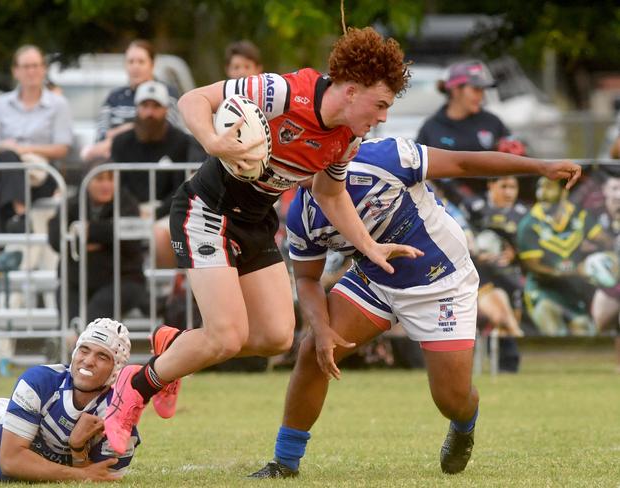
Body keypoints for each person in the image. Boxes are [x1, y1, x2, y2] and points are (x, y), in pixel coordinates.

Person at [104, 26, 423, 455]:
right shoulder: (282, 92)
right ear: (351, 90)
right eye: (380, 104)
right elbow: (192, 99)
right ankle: (135, 387)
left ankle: (176, 349)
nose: (383, 116)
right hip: (208, 210)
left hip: (255, 221)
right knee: (226, 337)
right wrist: (214, 140)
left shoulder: (348, 137)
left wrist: (369, 246)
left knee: (276, 337)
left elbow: (330, 194)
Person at [242, 137, 581, 477]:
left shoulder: (384, 156)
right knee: (314, 352)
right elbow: (306, 279)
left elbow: (463, 163)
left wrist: (540, 166)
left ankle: (464, 425)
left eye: (297, 162)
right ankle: (284, 462)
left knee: (451, 400)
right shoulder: (302, 213)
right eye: (285, 166)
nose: (288, 173)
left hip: (441, 281)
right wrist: (322, 328)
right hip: (377, 280)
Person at [0, 318, 139, 483]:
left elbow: (100, 477)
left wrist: (78, 449)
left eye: (102, 356)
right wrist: (80, 474)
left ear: (116, 370)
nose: (88, 361)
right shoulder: (39, 380)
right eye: (84, 350)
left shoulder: (118, 420)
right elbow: (9, 461)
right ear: (74, 353)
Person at [110, 80, 206, 268]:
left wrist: (156, 211)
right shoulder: (120, 142)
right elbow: (117, 184)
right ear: (137, 109)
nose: (149, 113)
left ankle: (164, 293)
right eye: (145, 106)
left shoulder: (182, 142)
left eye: (156, 106)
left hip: (168, 211)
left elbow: (182, 187)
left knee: (160, 236)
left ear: (166, 110)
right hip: (128, 209)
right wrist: (135, 210)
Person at [0, 44, 73, 232]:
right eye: (26, 66)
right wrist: (9, 148)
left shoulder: (58, 104)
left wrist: (25, 150)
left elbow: (62, 148)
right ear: (15, 71)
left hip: (41, 173)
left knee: (6, 176)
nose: (31, 71)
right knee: (8, 158)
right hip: (6, 170)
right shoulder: (2, 103)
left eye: (36, 65)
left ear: (44, 69)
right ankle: (20, 215)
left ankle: (13, 228)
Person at [48, 163, 148, 324]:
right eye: (99, 179)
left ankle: (85, 344)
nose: (106, 185)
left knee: (93, 319)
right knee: (70, 318)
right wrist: (107, 238)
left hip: (122, 281)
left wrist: (88, 231)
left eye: (110, 179)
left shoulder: (127, 203)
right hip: (76, 280)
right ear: (86, 181)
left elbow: (131, 242)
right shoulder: (72, 204)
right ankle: (70, 345)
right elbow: (55, 240)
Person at [416, 60, 520, 202]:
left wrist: (515, 153)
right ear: (456, 90)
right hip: (446, 209)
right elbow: (418, 171)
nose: (481, 96)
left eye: (483, 90)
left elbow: (514, 164)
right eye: (476, 89)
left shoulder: (492, 122)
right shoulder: (431, 127)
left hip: (491, 206)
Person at [517, 177, 603, 335]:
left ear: (564, 192)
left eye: (548, 187)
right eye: (539, 187)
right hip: (543, 290)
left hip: (572, 291)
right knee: (555, 332)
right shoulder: (529, 224)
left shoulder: (579, 215)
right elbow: (533, 266)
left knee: (585, 335)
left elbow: (605, 240)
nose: (541, 193)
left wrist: (600, 261)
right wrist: (571, 272)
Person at [461, 175, 526, 370]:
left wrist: (515, 254)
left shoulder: (523, 214)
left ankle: (508, 367)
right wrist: (475, 254)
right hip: (476, 279)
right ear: (490, 185)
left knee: (507, 333)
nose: (508, 192)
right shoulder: (473, 208)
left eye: (513, 187)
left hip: (509, 279)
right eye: (503, 186)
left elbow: (532, 250)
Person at [81, 40, 183, 162]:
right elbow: (101, 135)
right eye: (131, 62)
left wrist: (122, 131)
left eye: (141, 62)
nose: (135, 66)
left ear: (152, 64)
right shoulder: (114, 97)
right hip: (119, 162)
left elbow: (168, 130)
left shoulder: (167, 92)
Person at [589, 171, 620, 370]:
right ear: (605, 191)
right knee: (599, 322)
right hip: (609, 285)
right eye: (614, 189)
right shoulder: (594, 218)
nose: (618, 195)